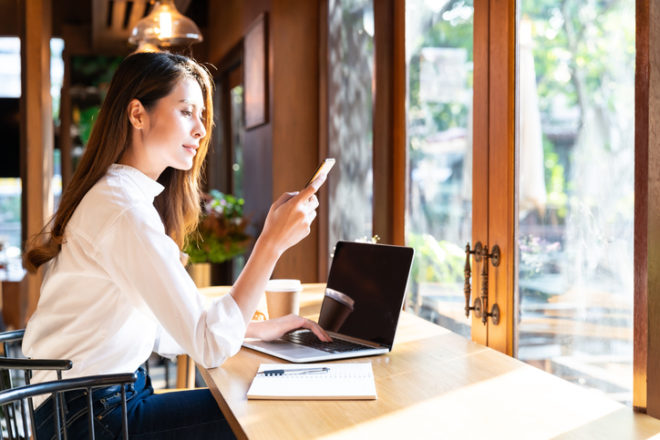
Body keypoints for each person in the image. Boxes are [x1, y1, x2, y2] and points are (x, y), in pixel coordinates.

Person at [22, 51, 330, 439]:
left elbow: (165, 331)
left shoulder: (120, 197)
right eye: (187, 112)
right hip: (91, 418)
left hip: (90, 405)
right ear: (137, 115)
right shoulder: (123, 209)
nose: (201, 130)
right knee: (271, 408)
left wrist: (257, 330)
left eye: (202, 116)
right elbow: (209, 346)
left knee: (258, 396)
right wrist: (270, 243)